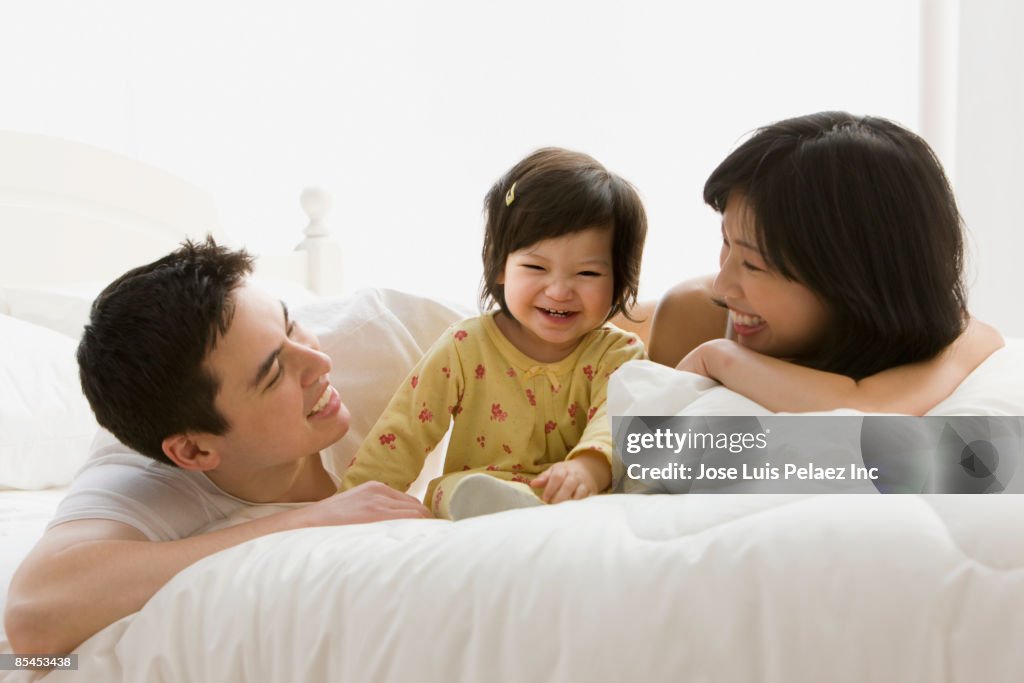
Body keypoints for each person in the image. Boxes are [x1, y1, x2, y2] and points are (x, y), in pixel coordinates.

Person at [3, 239, 431, 656]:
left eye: (289, 324)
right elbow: (31, 622)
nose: (320, 362)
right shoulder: (147, 473)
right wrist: (311, 519)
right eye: (273, 374)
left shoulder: (387, 332)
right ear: (193, 452)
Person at [342, 147, 648, 518]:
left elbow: (617, 420)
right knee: (448, 489)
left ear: (619, 280)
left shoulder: (619, 354)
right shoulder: (465, 347)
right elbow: (405, 428)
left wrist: (588, 467)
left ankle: (543, 510)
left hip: (581, 490)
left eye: (587, 274)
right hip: (484, 483)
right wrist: (355, 500)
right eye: (536, 267)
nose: (559, 291)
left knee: (628, 485)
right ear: (500, 266)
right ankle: (503, 508)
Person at [649, 111, 1003, 414]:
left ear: (852, 279)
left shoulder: (949, 340)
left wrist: (721, 358)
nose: (722, 287)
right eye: (726, 243)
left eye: (754, 265)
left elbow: (869, 412)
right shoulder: (693, 314)